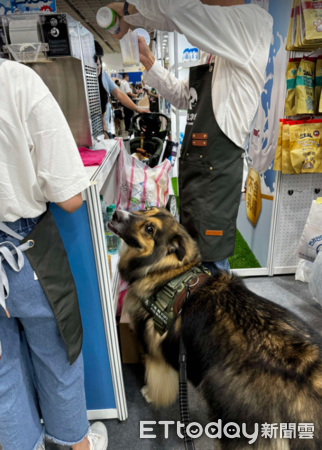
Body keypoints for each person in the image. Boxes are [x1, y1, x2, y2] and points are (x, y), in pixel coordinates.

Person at [110, 0, 273, 275]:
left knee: (210, 263)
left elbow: (176, 11)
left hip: (216, 175)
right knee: (193, 256)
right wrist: (148, 60)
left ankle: (214, 316)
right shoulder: (213, 54)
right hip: (197, 175)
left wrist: (130, 10)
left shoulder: (251, 23)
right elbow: (184, 96)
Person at [0, 58, 108, 450]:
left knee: (2, 374)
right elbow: (70, 199)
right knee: (57, 352)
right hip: (26, 253)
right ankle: (73, 445)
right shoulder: (16, 80)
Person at [94, 42, 147, 136]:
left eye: (99, 60)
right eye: (95, 59)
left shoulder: (104, 75)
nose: (98, 63)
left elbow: (119, 94)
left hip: (105, 130)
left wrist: (137, 109)